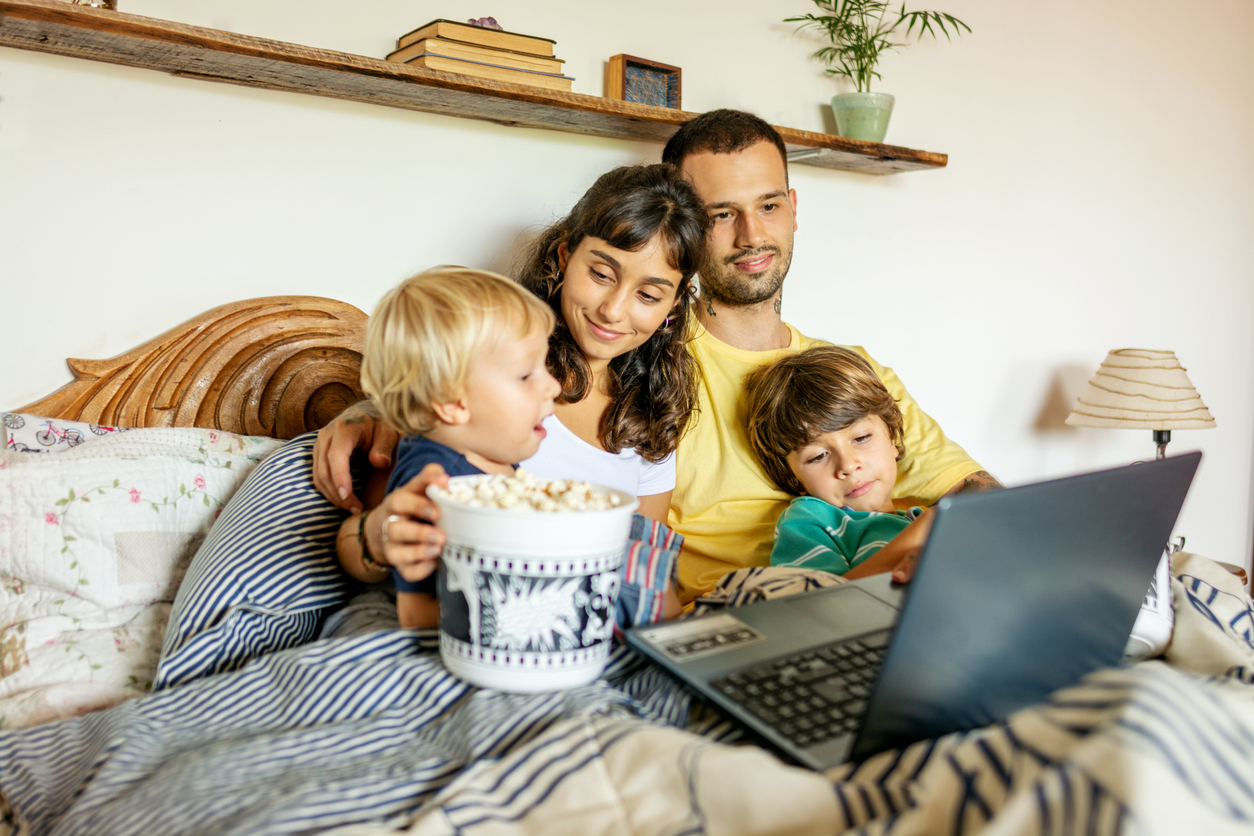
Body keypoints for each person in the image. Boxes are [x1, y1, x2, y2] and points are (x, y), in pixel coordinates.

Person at [316, 110, 998, 604]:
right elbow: (461, 385)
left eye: (767, 205)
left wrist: (948, 538)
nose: (752, 233)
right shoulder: (637, 365)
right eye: (721, 213)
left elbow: (980, 497)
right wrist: (373, 406)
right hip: (738, 608)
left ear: (793, 208)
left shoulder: (846, 372)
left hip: (869, 598)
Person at [335, 164, 709, 625]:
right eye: (601, 273)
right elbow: (381, 528)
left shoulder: (648, 418)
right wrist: (376, 534)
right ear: (565, 254)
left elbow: (644, 574)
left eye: (649, 295)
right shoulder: (487, 375)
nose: (613, 310)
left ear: (674, 305)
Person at [341, 267, 560, 627]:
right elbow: (417, 613)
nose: (552, 386)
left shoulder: (490, 458)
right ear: (452, 402)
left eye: (544, 366)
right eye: (526, 375)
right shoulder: (435, 482)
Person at [743, 345, 935, 583]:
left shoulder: (918, 518)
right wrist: (918, 535)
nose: (848, 465)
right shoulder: (810, 520)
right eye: (818, 456)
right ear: (792, 477)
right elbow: (818, 607)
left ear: (893, 438)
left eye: (861, 438)